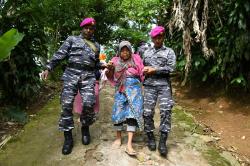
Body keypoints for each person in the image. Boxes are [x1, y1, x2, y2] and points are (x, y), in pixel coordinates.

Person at [41, 17, 104, 155]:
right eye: (86, 27)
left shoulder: (96, 45)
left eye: (91, 28)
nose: (89, 30)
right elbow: (59, 54)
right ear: (82, 28)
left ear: (94, 30)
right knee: (66, 104)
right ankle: (68, 137)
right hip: (71, 74)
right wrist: (48, 68)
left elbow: (96, 63)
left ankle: (85, 127)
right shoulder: (72, 39)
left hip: (88, 76)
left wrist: (103, 66)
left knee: (88, 103)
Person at [105, 41, 144, 156]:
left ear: (130, 51)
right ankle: (118, 138)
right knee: (119, 113)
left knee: (132, 114)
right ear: (119, 51)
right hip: (120, 91)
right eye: (122, 50)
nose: (125, 52)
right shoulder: (115, 61)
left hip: (134, 91)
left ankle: (129, 144)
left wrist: (145, 75)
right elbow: (110, 75)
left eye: (127, 50)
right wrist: (110, 69)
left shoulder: (136, 59)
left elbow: (142, 73)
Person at [143, 26, 176, 156]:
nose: (158, 40)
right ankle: (150, 136)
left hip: (164, 85)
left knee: (166, 111)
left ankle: (163, 141)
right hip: (149, 85)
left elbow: (172, 69)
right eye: (156, 37)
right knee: (147, 112)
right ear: (152, 38)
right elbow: (142, 66)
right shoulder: (146, 52)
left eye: (160, 37)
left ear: (163, 37)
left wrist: (155, 70)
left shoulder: (169, 52)